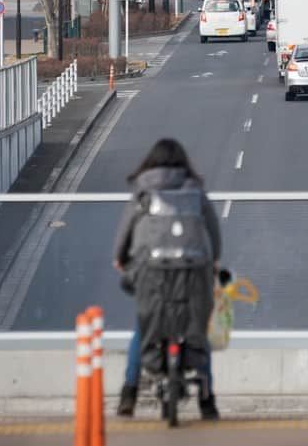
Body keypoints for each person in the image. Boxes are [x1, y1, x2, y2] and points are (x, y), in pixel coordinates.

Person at [113, 138, 221, 421]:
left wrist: (120, 258)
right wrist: (214, 260)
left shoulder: (143, 190)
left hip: (152, 272)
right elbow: (213, 229)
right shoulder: (194, 189)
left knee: (143, 325)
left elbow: (125, 230)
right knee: (198, 327)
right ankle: (208, 399)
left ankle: (129, 392)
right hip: (193, 271)